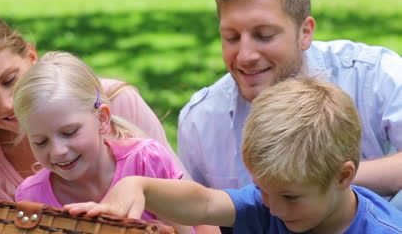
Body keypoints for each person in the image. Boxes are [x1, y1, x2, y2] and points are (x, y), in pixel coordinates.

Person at [65, 77, 402, 234]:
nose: (274, 207)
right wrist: (139, 187)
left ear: (342, 177)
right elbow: (204, 203)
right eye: (263, 190)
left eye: (289, 196)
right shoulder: (273, 207)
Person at [177, 0, 402, 203]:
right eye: (232, 38)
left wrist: (324, 178)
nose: (245, 56)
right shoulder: (200, 121)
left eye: (264, 35)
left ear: (305, 33)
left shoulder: (371, 75)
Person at [0, 13, 189, 201]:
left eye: (9, 80)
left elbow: (194, 205)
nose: (7, 103)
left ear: (31, 56)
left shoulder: (116, 101)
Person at [12, 51, 192, 234]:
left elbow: (185, 229)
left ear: (103, 118)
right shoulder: (31, 196)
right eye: (40, 142)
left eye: (69, 132)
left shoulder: (145, 161)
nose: (58, 151)